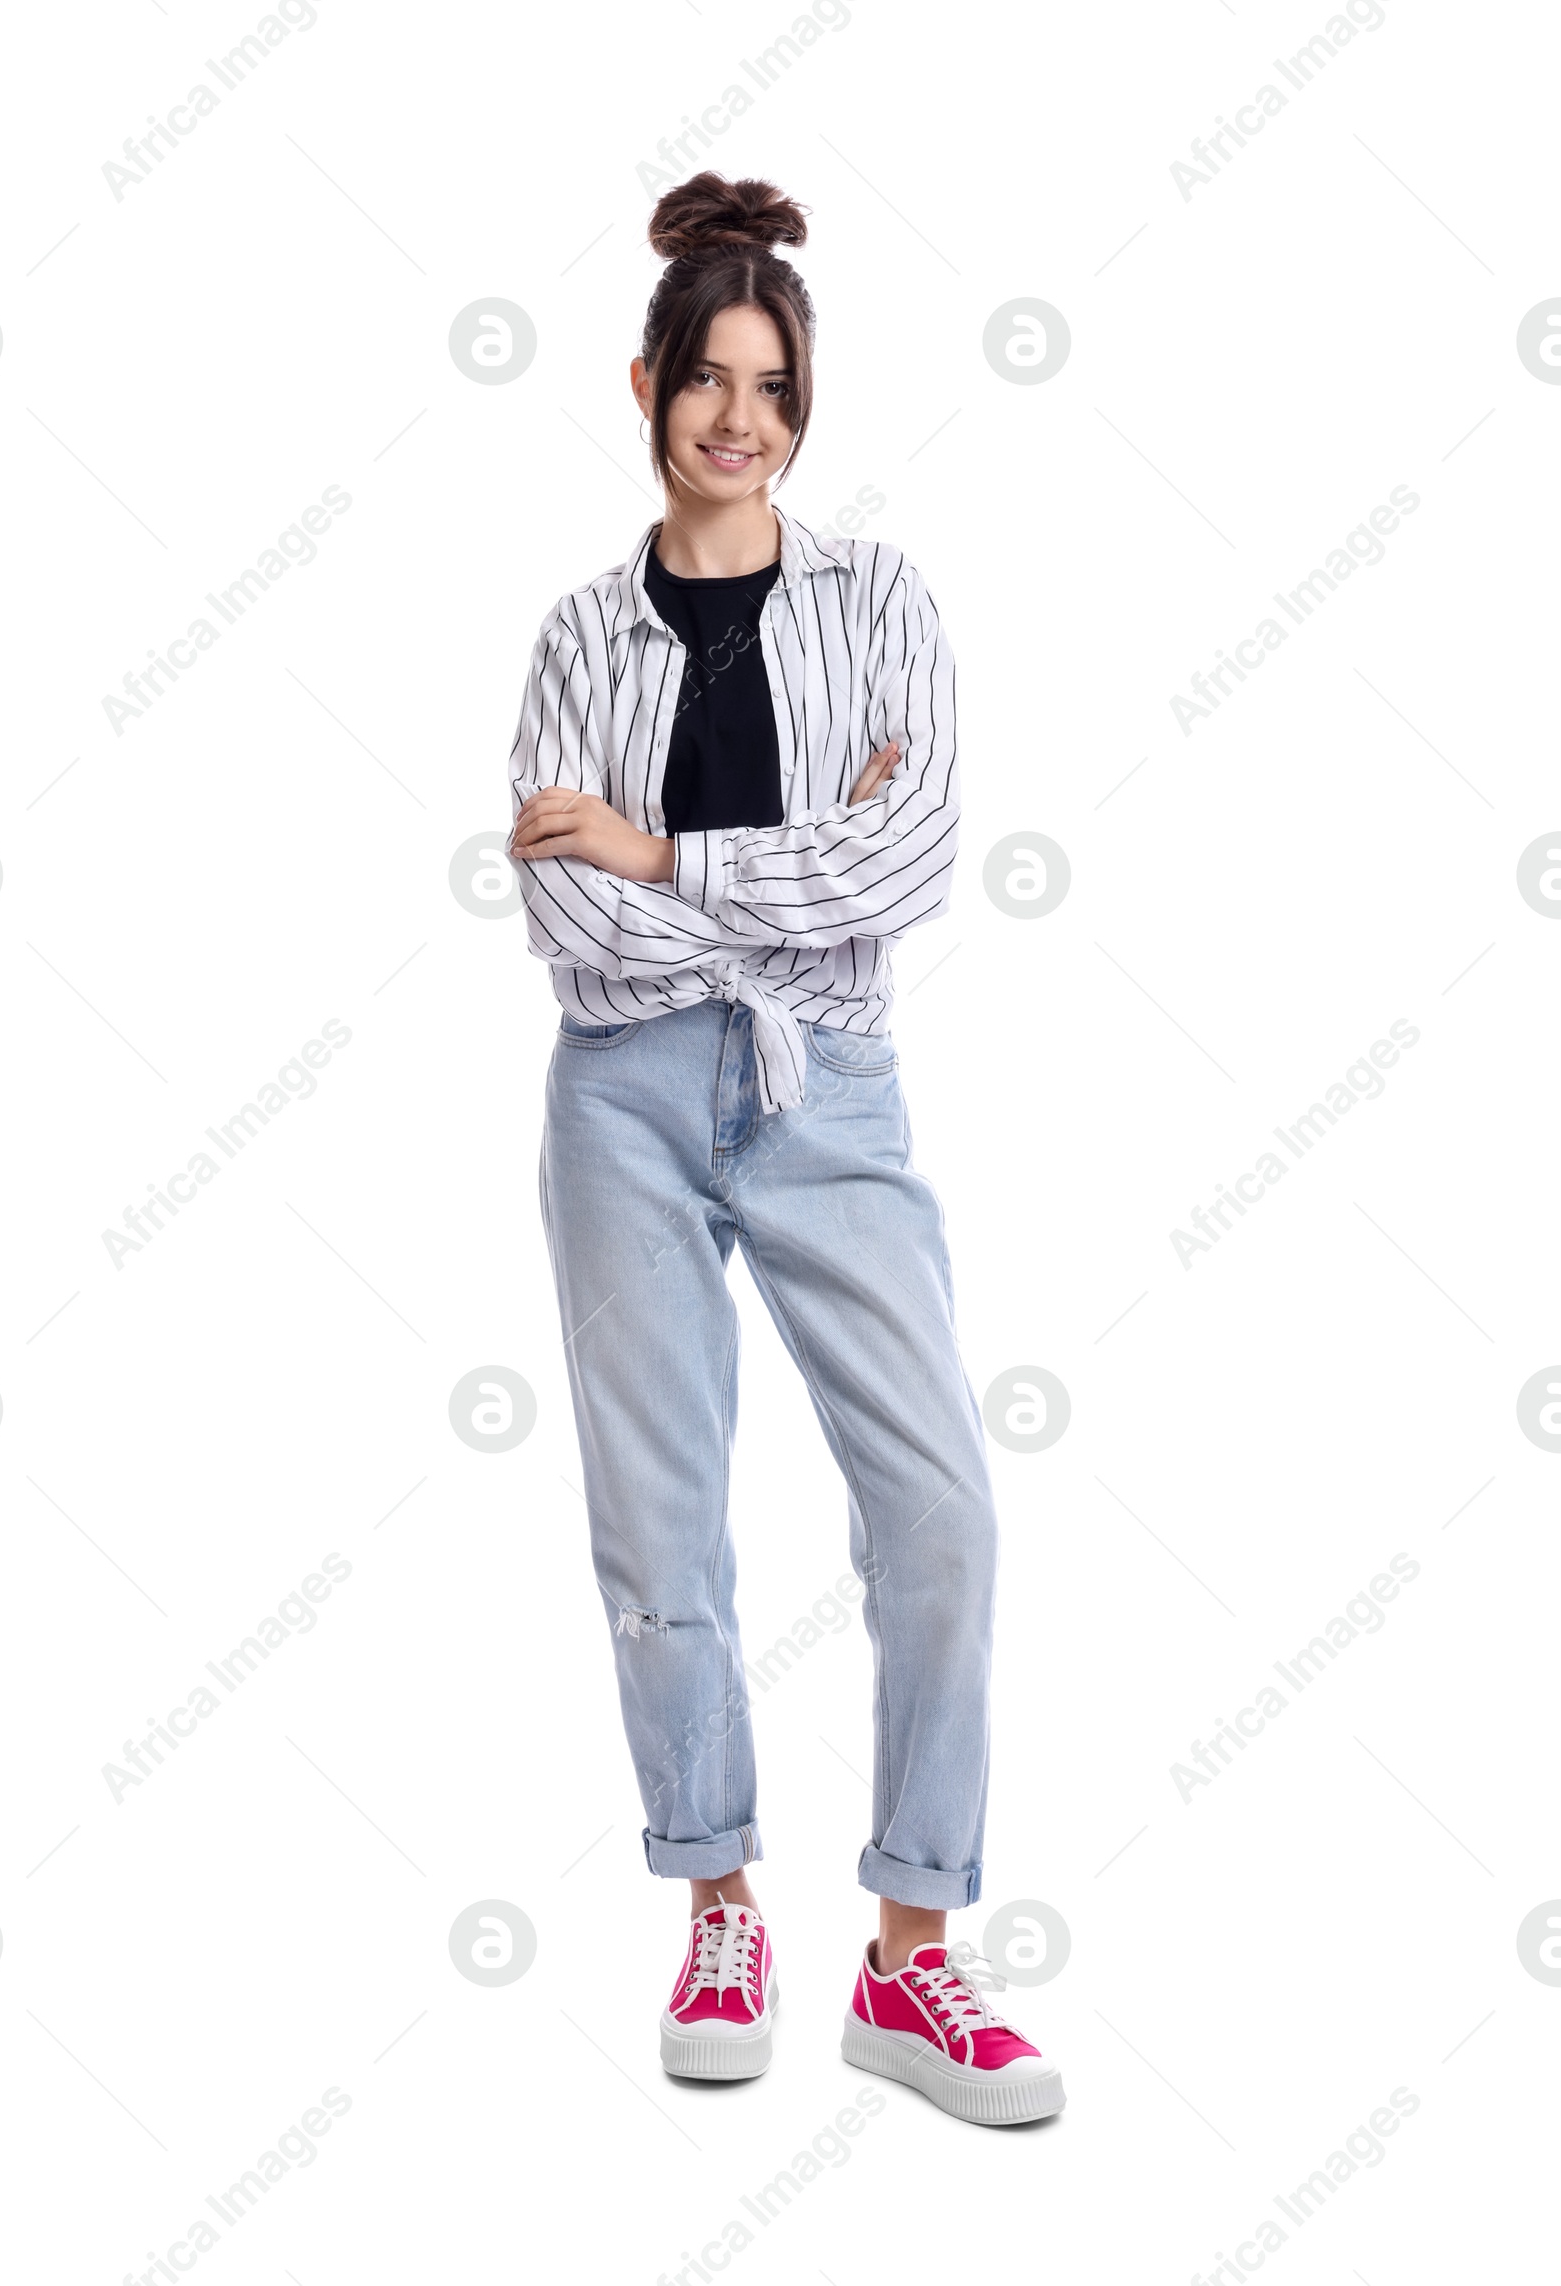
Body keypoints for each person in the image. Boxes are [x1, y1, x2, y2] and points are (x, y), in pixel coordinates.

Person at [505, 170, 1065, 2126]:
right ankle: (715, 1897)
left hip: (825, 1085)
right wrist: (769, 883)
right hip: (621, 1100)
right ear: (643, 384)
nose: (736, 416)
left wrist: (655, 850)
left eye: (772, 384)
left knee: (937, 1512)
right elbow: (563, 930)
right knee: (661, 1534)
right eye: (705, 379)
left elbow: (902, 872)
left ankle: (910, 1963)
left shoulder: (878, 600)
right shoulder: (577, 632)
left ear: (801, 405)